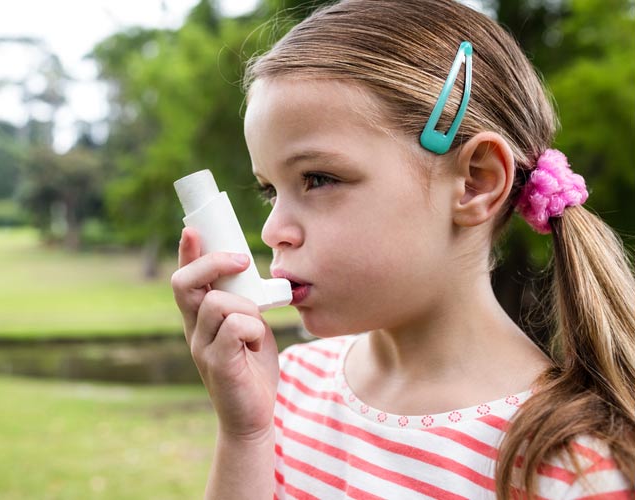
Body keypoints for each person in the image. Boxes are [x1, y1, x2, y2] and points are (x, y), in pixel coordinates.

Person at [171, 0, 635, 498]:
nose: (272, 230)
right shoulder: (289, 387)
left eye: (318, 178)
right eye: (270, 190)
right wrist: (245, 435)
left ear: (476, 182)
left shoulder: (571, 468)